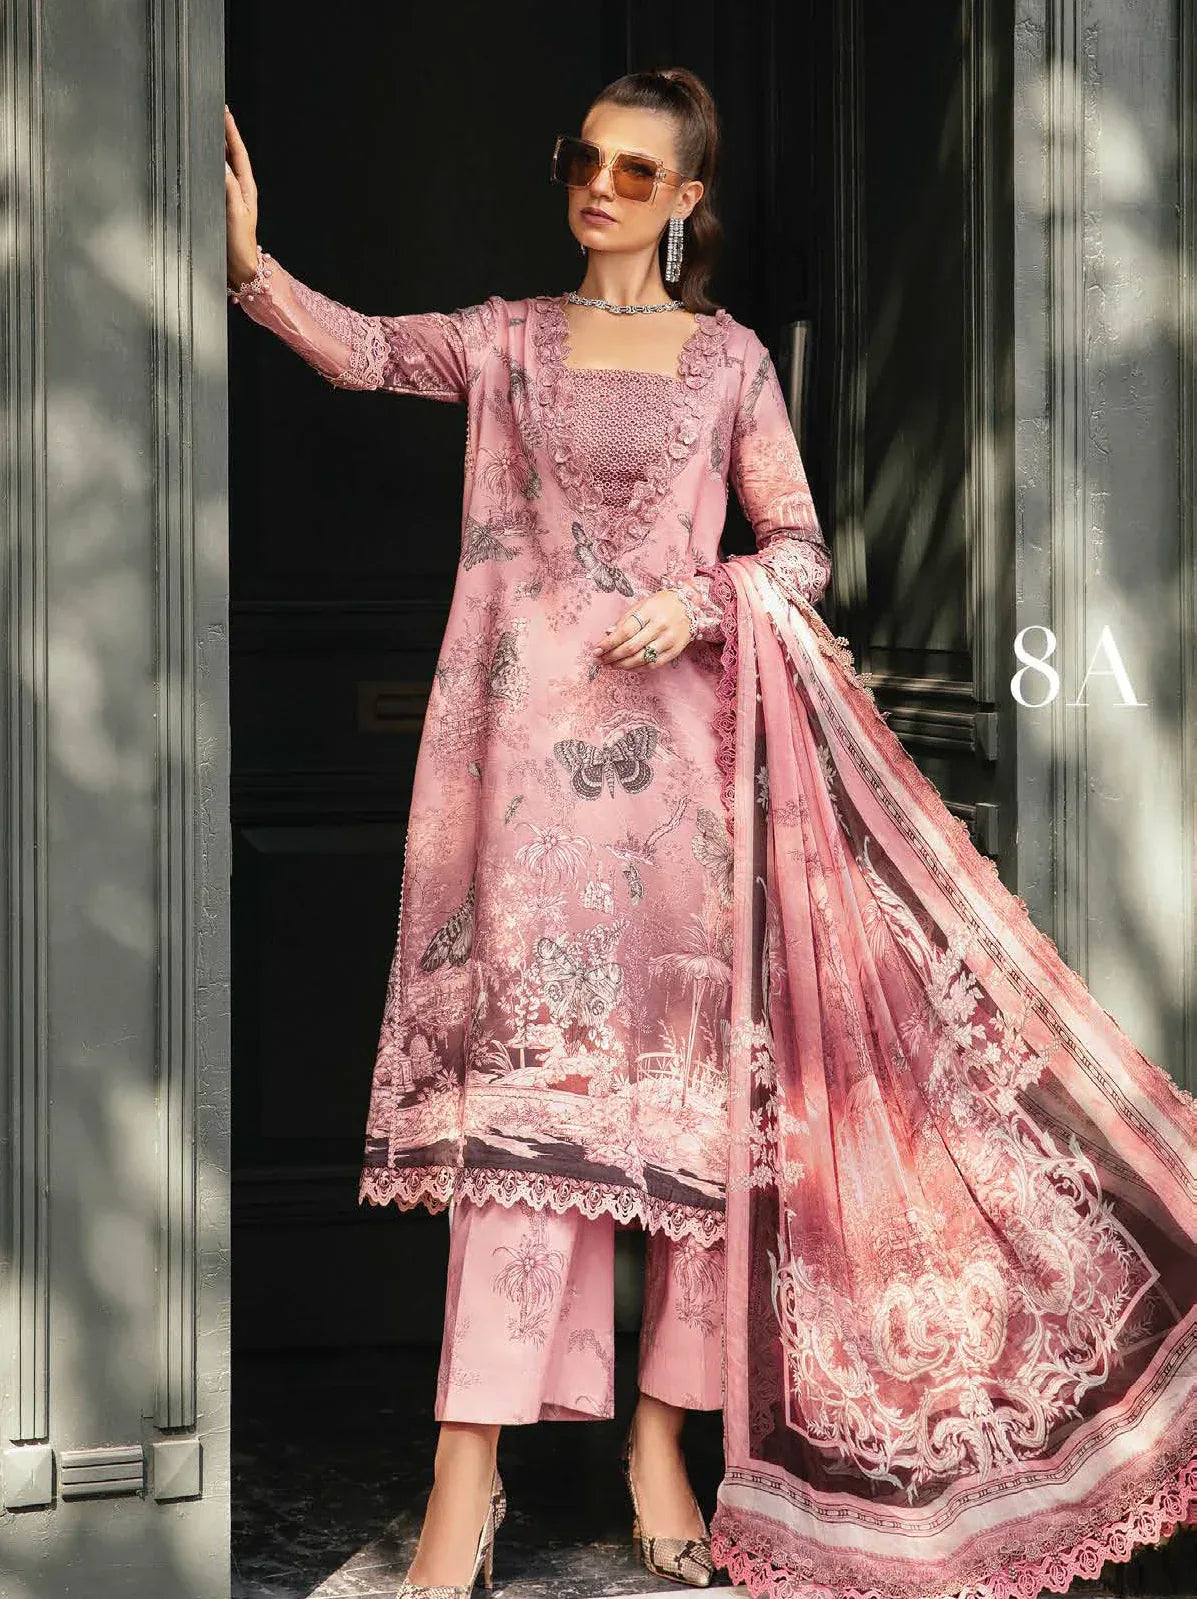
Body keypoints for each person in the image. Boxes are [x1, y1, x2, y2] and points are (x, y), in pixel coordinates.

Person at [227, 65, 1197, 1599]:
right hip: (520, 799)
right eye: (583, 162)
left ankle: (660, 1447)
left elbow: (799, 548)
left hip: (685, 796)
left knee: (689, 1138)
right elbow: (360, 355)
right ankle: (461, 1480)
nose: (599, 187)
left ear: (684, 200)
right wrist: (249, 268)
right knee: (523, 1142)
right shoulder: (506, 343)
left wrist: (705, 594)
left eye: (634, 171)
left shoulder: (727, 363)